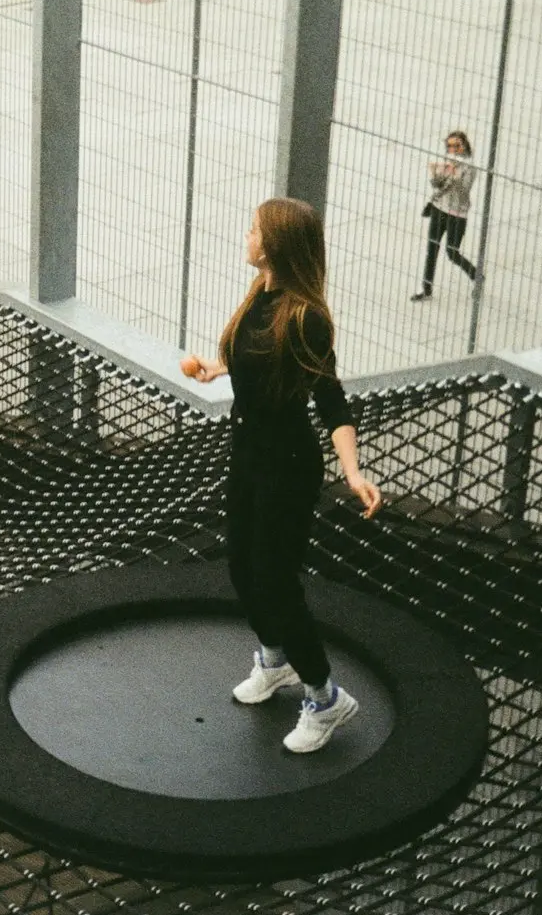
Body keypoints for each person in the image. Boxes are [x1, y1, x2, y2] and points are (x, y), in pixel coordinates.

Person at [181, 198, 383, 755]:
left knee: (275, 581)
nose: (246, 236)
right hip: (247, 455)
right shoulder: (260, 299)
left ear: (273, 245)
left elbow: (332, 401)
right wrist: (218, 369)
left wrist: (354, 472)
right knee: (243, 570)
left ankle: (325, 697)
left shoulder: (306, 318)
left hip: (287, 468)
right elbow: (258, 363)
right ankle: (274, 661)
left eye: (253, 229)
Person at [412, 129, 481, 302]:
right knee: (432, 249)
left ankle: (477, 276)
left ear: (464, 145)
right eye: (450, 146)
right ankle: (426, 289)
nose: (453, 149)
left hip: (457, 213)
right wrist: (436, 177)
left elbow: (464, 191)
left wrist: (454, 178)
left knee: (452, 252)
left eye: (457, 145)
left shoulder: (469, 166)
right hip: (438, 208)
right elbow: (437, 187)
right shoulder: (447, 160)